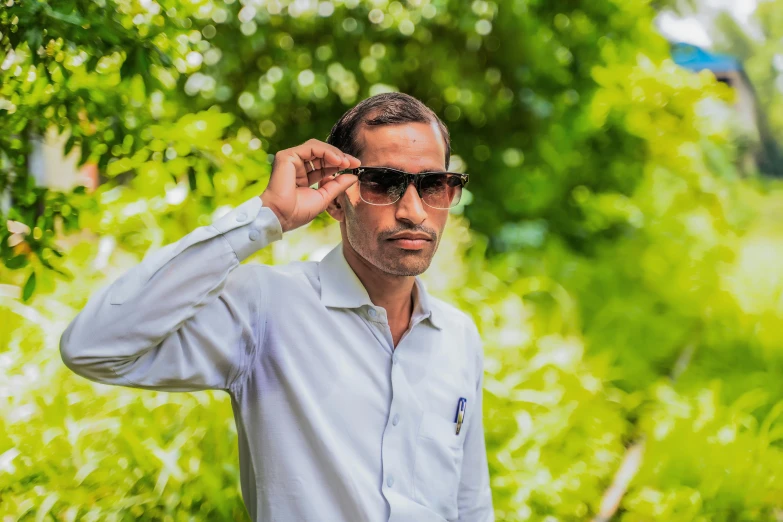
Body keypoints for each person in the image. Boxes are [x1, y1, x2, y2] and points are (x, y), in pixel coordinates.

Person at [60, 92, 494, 522]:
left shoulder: (458, 336)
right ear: (337, 200)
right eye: (382, 182)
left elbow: (470, 504)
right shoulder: (265, 308)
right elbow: (93, 347)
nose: (413, 211)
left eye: (434, 184)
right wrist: (267, 217)